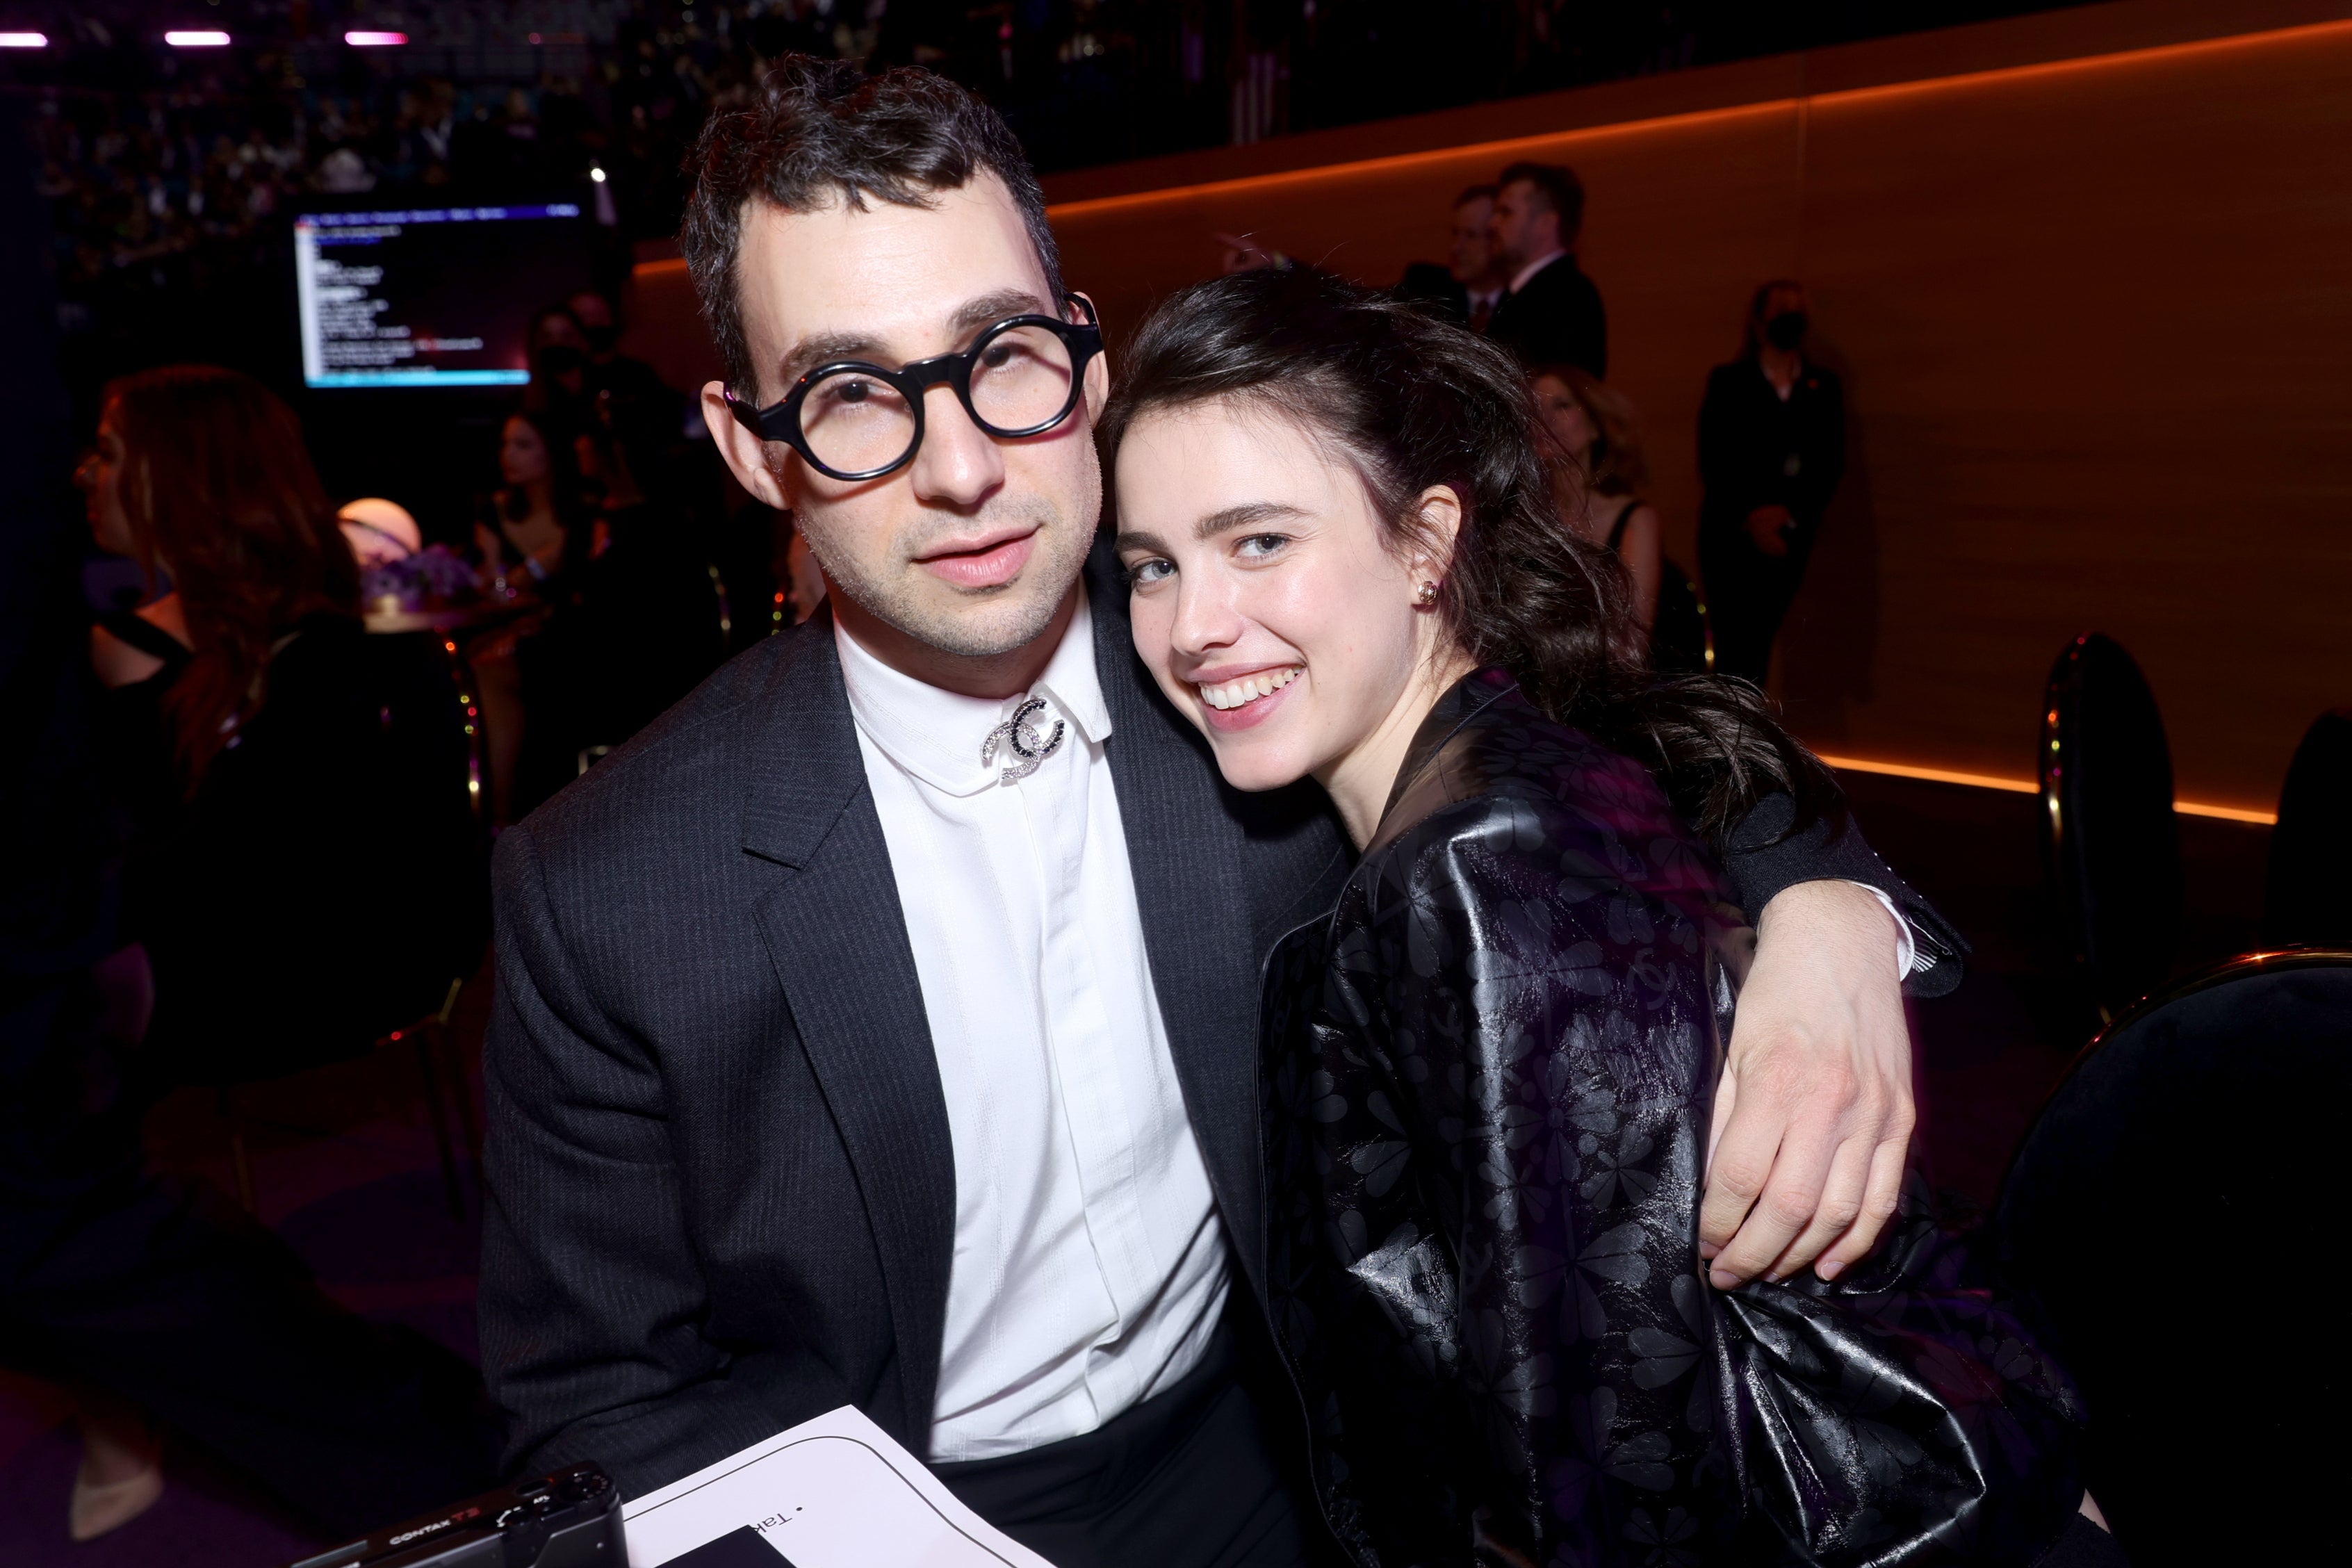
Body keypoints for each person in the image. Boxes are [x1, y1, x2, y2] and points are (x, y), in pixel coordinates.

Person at [480, 58, 1962, 1568]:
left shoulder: (1246, 669)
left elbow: (1630, 734)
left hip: (1301, 1458)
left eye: (1000, 356)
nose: (967, 466)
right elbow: (598, 1406)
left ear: (1086, 360)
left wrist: (1833, 918)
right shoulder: (607, 893)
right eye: (856, 393)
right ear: (750, 446)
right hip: (895, 1515)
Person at [1103, 267, 2119, 1568]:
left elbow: (1604, 1461)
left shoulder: (1475, 862)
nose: (1192, 625)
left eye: (1259, 541)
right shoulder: (1513, 761)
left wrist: (1834, 911)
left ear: (1422, 543)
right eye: (1149, 565)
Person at [22, 364, 498, 1541]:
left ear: (183, 475)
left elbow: (174, 874)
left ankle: (128, 1400)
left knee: (43, 1074)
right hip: (385, 951)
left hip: (287, 964)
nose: (85, 474)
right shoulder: (350, 612)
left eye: (108, 452)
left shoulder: (174, 644)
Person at [1698, 280, 1845, 685]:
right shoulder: (1728, 382)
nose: (1791, 317)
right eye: (1782, 308)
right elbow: (1715, 460)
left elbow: (1829, 462)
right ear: (1760, 321)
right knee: (1733, 648)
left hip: (1789, 538)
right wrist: (1753, 517)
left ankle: (1749, 737)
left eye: (1799, 309)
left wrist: (1787, 513)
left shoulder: (1822, 386)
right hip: (1730, 536)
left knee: (1760, 644)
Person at [472, 407, 592, 820]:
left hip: (570, 641)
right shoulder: (496, 511)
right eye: (505, 444)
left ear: (552, 453)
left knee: (496, 672)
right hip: (505, 634)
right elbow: (491, 586)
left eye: (523, 445)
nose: (509, 455)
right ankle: (492, 815)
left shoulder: (583, 514)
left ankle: (507, 816)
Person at [1530, 364, 1660, 629]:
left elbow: (1631, 646)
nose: (1547, 418)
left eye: (1562, 405)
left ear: (1595, 426)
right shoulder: (1527, 519)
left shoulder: (1636, 521)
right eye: (1535, 409)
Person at [1485, 161, 1605, 377]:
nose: (1493, 223)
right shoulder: (1518, 295)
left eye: (1506, 212)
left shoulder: (1569, 296)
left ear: (1546, 224)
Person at [1395, 184, 1505, 332]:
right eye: (1456, 234)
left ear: (1499, 238)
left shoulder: (1528, 302)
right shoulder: (1426, 289)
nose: (1456, 248)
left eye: (1471, 235)